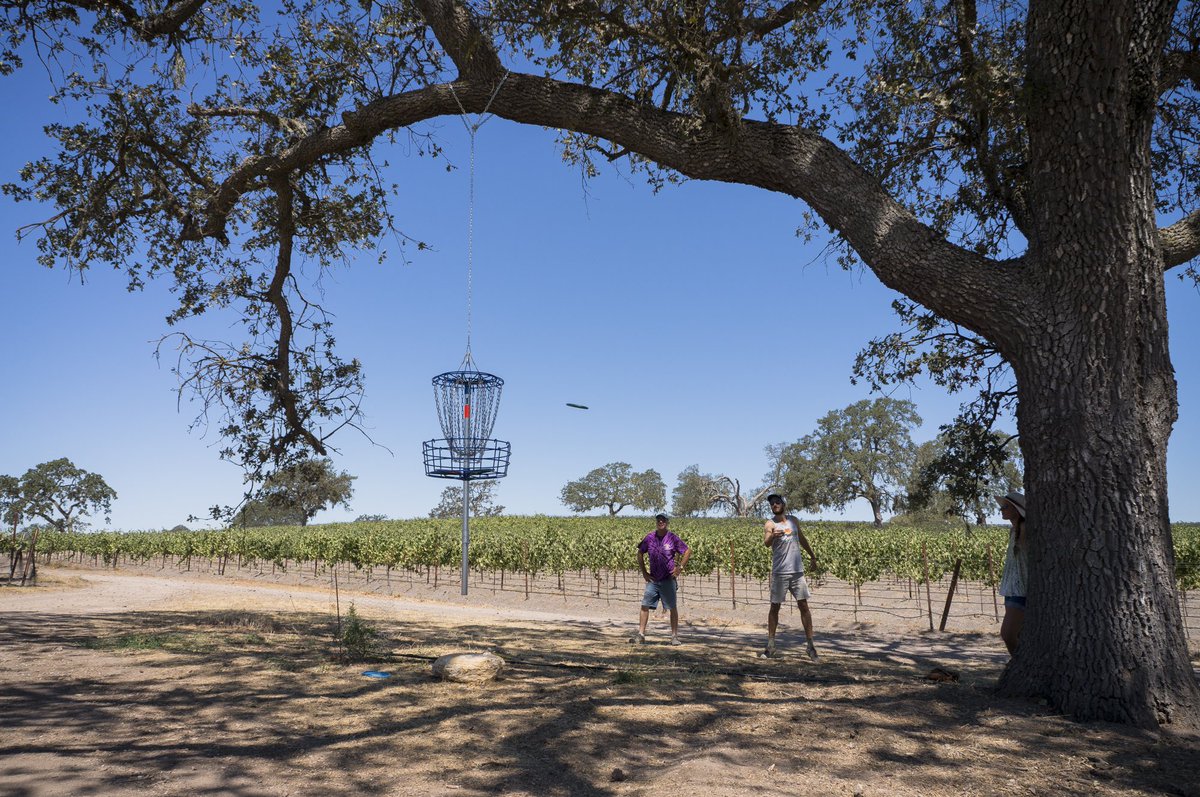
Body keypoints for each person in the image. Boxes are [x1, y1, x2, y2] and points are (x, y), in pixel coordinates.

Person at [764, 494, 819, 661]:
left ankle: (810, 646)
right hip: (780, 572)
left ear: (783, 504)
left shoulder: (794, 521)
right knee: (775, 607)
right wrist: (773, 536)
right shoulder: (770, 523)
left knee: (804, 606)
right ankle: (771, 645)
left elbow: (801, 538)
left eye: (777, 502)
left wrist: (812, 556)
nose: (775, 505)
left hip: (797, 572)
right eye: (772, 504)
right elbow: (766, 542)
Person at [632, 514, 691, 645]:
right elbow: (640, 552)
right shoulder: (650, 537)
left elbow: (687, 551)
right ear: (656, 523)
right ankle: (641, 634)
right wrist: (644, 572)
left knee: (672, 608)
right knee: (645, 606)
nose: (661, 522)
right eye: (658, 520)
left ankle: (674, 636)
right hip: (653, 579)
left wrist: (679, 568)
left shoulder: (672, 538)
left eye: (663, 520)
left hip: (668, 579)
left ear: (667, 523)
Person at [997, 490, 1028, 655]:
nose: (1001, 510)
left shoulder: (1025, 528)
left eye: (1005, 507)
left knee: (1008, 634)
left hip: (1021, 590)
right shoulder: (1012, 531)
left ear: (1017, 509)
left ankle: (1018, 665)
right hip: (1012, 588)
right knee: (1018, 634)